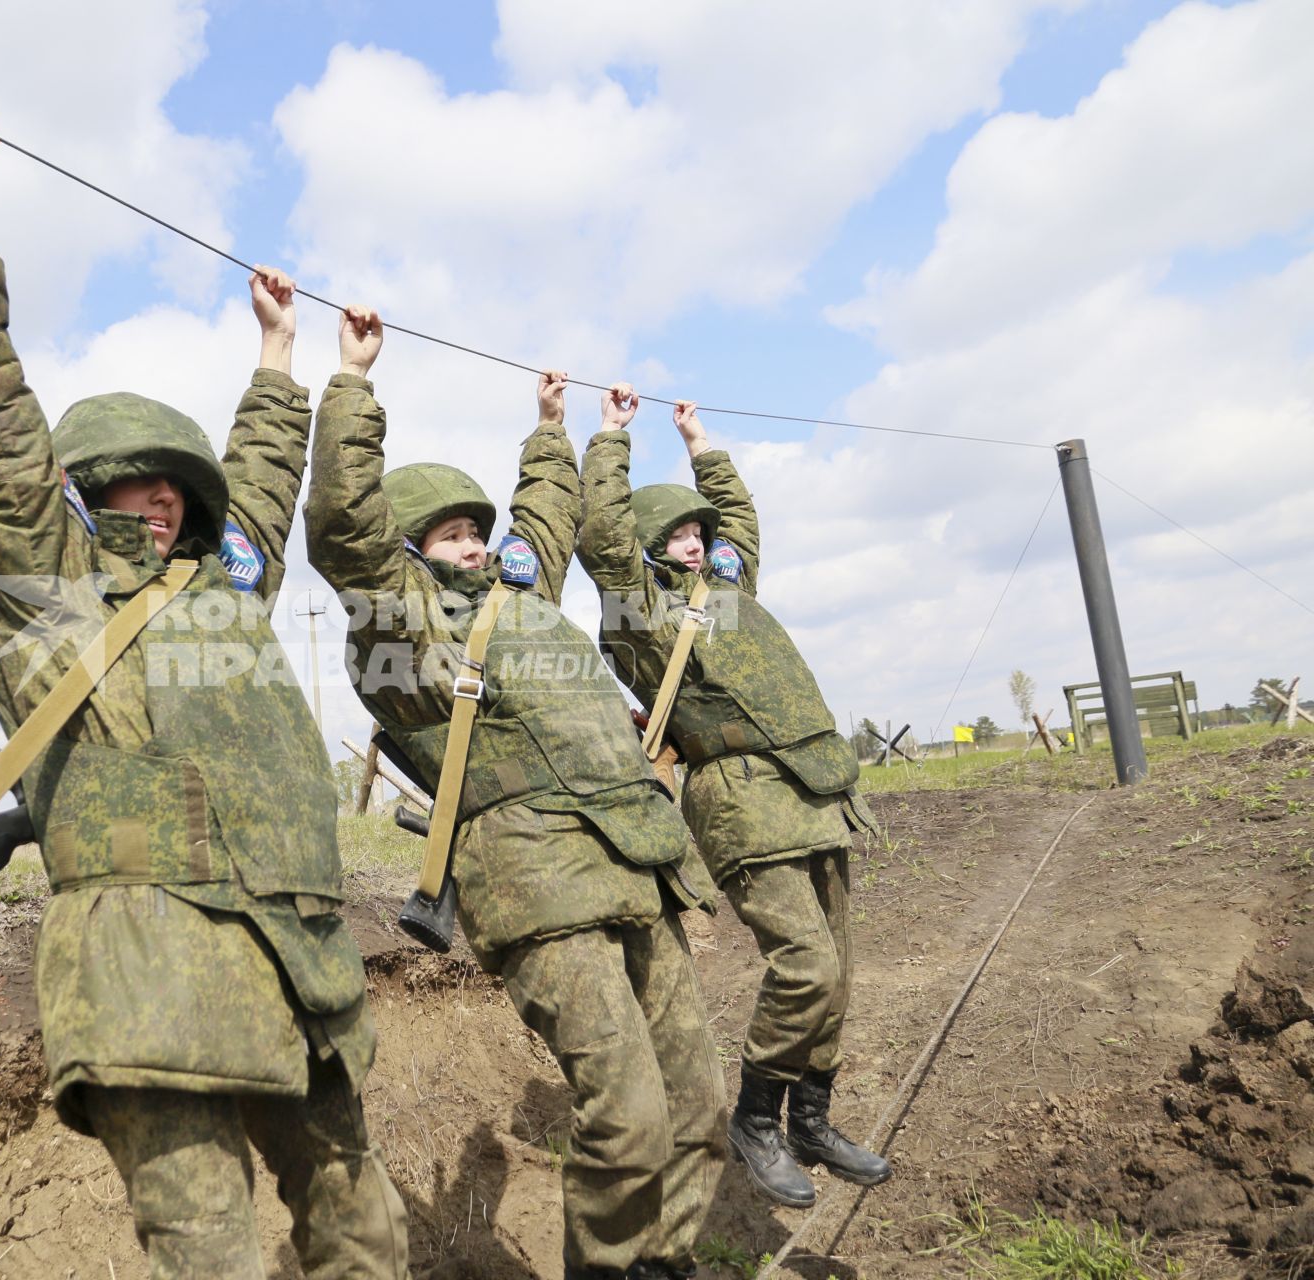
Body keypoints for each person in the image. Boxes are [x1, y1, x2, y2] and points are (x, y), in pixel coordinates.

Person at [0, 90, 407, 1278]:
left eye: (174, 484)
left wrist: (290, 356)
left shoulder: (223, 589)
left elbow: (265, 483)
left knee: (363, 1230)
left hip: (295, 955)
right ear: (79, 494)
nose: (163, 499)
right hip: (148, 965)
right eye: (133, 483)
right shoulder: (52, 579)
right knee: (210, 1251)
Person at [304, 316, 722, 1280]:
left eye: (476, 532)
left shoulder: (520, 600)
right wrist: (353, 383)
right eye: (448, 535)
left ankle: (666, 1261)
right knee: (627, 1113)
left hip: (635, 860)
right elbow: (344, 527)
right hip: (537, 885)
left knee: (695, 1107)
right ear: (408, 553)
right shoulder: (401, 636)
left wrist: (561, 427)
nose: (473, 545)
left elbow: (544, 521)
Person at [577, 395, 891, 1210]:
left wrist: (699, 444)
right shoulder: (640, 613)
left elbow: (741, 521)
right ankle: (756, 1121)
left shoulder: (730, 587)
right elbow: (602, 543)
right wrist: (611, 438)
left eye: (699, 532)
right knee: (806, 967)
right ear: (652, 547)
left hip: (814, 790)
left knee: (839, 976)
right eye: (680, 534)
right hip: (742, 801)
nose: (699, 542)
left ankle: (812, 1119)